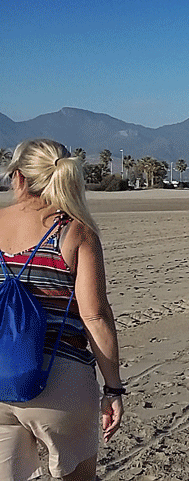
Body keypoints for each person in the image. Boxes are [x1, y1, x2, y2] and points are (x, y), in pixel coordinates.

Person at [0, 138, 123, 481]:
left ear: (19, 178)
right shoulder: (75, 231)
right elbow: (95, 317)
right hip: (60, 379)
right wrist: (113, 389)